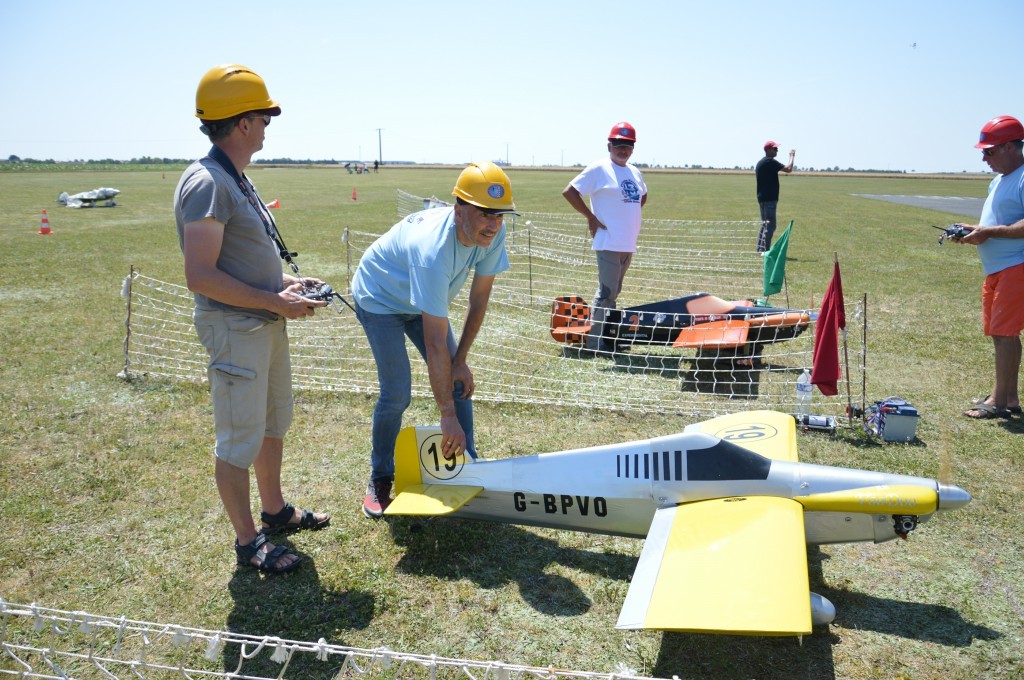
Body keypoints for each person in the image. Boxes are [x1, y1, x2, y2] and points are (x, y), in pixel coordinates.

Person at [174, 64, 331, 574]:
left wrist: (283, 286)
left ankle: (274, 510)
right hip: (236, 329)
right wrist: (273, 301)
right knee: (239, 439)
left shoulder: (234, 178)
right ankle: (249, 542)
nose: (266, 126)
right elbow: (200, 275)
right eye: (263, 117)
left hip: (263, 322)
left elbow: (236, 259)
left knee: (270, 422)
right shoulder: (208, 182)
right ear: (242, 123)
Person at [351, 161, 517, 517]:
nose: (493, 223)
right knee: (396, 392)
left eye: (499, 215)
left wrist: (462, 361)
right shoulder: (433, 251)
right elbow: (435, 343)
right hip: (380, 297)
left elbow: (479, 299)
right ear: (459, 210)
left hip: (420, 298)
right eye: (484, 213)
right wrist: (446, 415)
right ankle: (380, 476)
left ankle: (468, 465)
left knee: (458, 380)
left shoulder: (492, 234)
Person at [955, 115, 1024, 419]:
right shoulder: (998, 180)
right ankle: (1009, 397)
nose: (985, 159)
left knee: (1005, 333)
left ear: (1010, 147)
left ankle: (997, 402)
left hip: (1016, 266)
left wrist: (989, 232)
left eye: (990, 151)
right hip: (996, 269)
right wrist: (975, 230)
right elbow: (999, 221)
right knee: (1002, 334)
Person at [562, 122, 648, 353]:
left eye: (628, 146)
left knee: (614, 292)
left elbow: (642, 196)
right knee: (606, 293)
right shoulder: (599, 169)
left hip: (627, 242)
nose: (623, 150)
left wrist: (627, 215)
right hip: (608, 241)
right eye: (618, 146)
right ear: (609, 146)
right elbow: (570, 191)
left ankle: (608, 337)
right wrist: (591, 217)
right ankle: (595, 343)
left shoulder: (635, 172)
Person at [755, 141, 796, 253]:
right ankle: (765, 251)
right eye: (775, 148)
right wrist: (792, 156)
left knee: (764, 225)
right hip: (769, 199)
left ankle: (760, 249)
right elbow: (788, 169)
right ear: (768, 150)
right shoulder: (769, 161)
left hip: (762, 198)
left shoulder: (761, 162)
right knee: (770, 226)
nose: (777, 150)